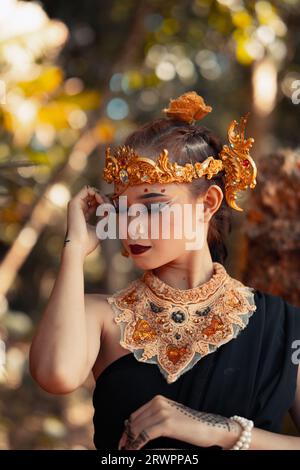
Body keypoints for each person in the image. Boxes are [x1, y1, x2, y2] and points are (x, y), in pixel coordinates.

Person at [29, 91, 300, 450]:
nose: (132, 228)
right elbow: (55, 374)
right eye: (123, 210)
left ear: (207, 204)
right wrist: (74, 250)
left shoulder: (281, 325)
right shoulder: (103, 317)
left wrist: (218, 430)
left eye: (153, 208)